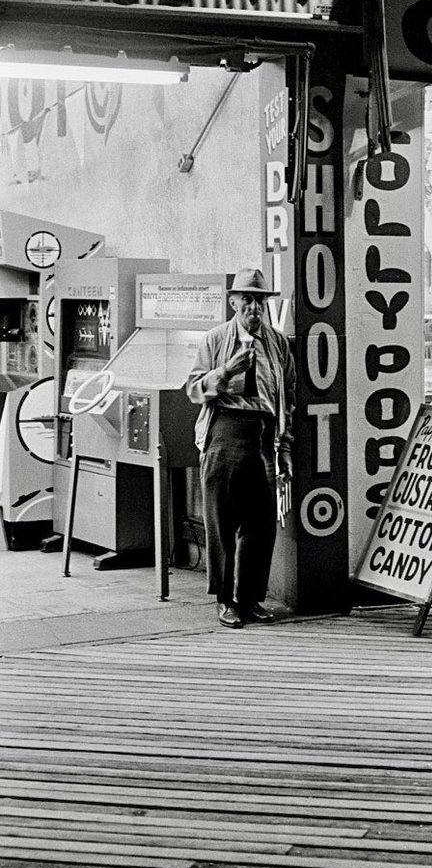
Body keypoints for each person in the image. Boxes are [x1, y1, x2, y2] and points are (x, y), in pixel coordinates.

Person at [186, 267, 295, 628]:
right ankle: (224, 600)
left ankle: (250, 598)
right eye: (247, 300)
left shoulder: (277, 343)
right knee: (221, 521)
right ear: (233, 302)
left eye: (260, 301)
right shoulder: (215, 340)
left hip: (263, 434)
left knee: (261, 523)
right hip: (225, 432)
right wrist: (226, 372)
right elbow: (192, 389)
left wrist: (285, 448)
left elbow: (288, 398)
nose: (254, 308)